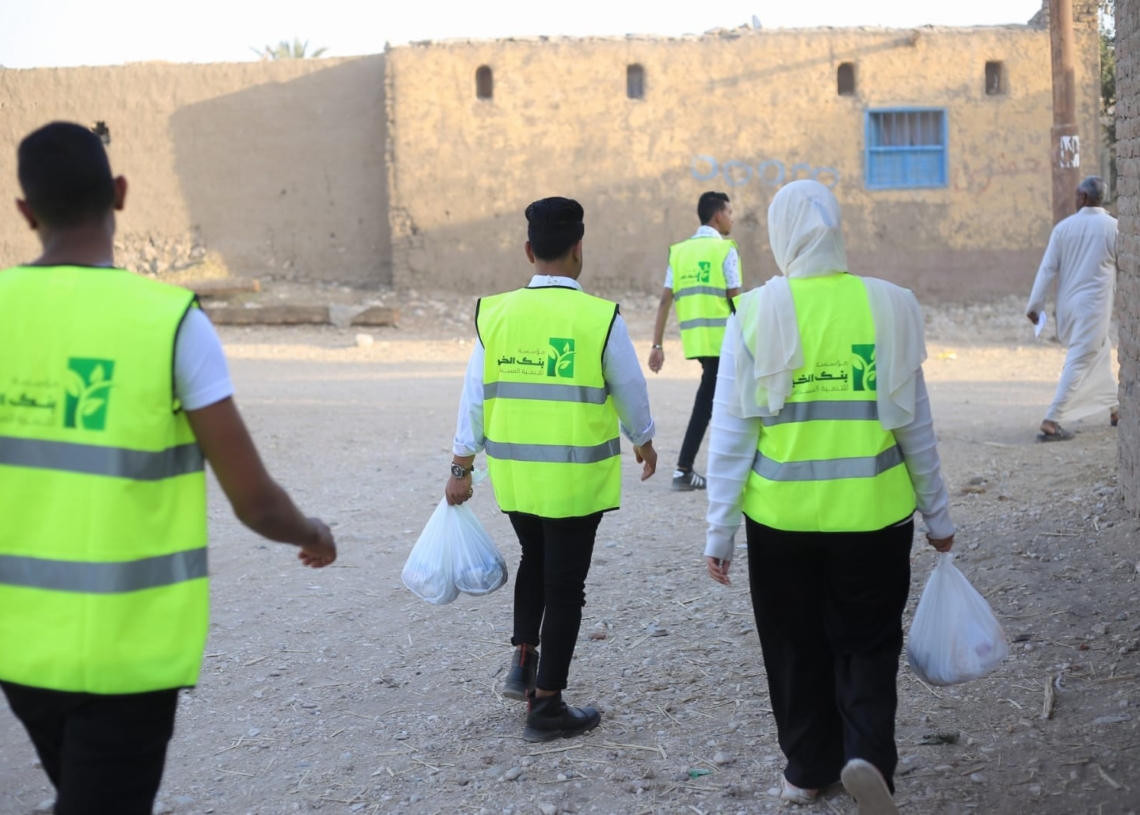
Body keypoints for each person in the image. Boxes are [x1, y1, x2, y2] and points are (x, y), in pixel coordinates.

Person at [0, 122, 337, 815]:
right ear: (120, 194)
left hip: (19, 646)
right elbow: (254, 500)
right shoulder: (170, 322)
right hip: (129, 653)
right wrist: (311, 530)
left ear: (26, 212)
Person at [703, 180, 954, 814]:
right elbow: (915, 425)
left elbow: (733, 435)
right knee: (869, 640)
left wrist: (719, 532)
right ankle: (867, 755)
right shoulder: (890, 306)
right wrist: (939, 515)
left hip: (782, 521)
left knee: (791, 643)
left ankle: (808, 771)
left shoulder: (754, 312)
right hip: (873, 516)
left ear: (782, 238)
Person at [445, 197, 657, 743]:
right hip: (573, 482)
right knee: (565, 587)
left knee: (534, 560)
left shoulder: (495, 313)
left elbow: (474, 396)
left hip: (515, 479)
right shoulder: (599, 317)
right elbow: (630, 389)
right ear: (579, 248)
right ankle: (547, 706)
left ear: (528, 249)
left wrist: (461, 465)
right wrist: (644, 441)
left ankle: (523, 661)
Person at [648, 191, 741, 491]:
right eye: (729, 212)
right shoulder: (726, 250)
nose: (732, 217)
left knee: (716, 400)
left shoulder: (679, 252)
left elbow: (665, 300)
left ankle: (695, 468)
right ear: (717, 216)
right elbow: (735, 299)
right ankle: (684, 470)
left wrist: (657, 345)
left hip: (698, 342)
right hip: (725, 340)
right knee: (713, 402)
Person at [1026, 176, 1120, 441]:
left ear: (1084, 198)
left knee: (1099, 352)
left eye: (1078, 195)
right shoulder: (1113, 227)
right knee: (1080, 358)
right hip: (1095, 309)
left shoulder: (1063, 228)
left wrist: (1035, 305)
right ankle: (1052, 420)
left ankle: (1116, 409)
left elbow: (1047, 270)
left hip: (1069, 308)